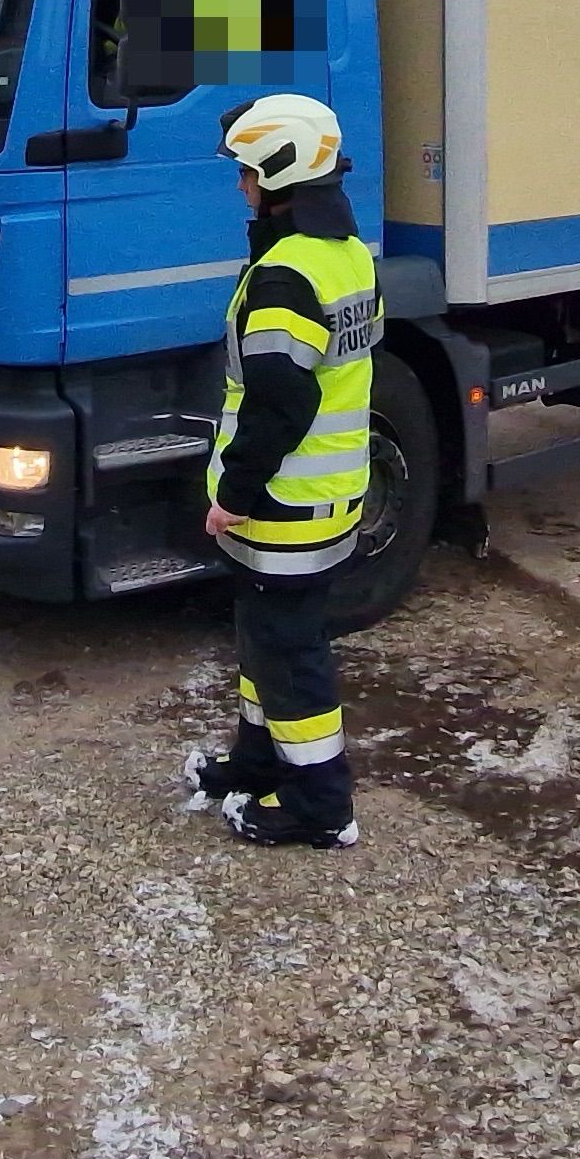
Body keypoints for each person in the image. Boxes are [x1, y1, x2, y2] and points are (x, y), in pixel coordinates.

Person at [180, 91, 380, 847]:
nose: (239, 186)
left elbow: (278, 405)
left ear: (279, 173)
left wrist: (232, 494)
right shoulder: (345, 254)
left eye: (246, 172)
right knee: (267, 644)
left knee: (291, 659)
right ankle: (257, 766)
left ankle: (321, 807)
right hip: (327, 496)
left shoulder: (286, 275)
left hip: (284, 505)